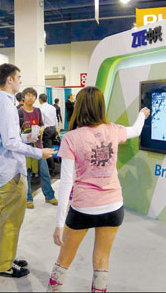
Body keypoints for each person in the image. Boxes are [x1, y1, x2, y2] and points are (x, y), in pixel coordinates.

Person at [46, 86, 150, 292]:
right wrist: (142, 114)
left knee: (64, 259)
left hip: (83, 208)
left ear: (79, 107)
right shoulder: (113, 129)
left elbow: (66, 182)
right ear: (101, 106)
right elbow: (136, 130)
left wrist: (59, 223)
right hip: (113, 206)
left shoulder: (71, 137)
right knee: (102, 260)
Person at [0, 63, 56, 278]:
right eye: (19, 77)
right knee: (9, 219)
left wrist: (27, 138)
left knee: (9, 218)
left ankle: (7, 256)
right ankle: (4, 264)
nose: (21, 81)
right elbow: (10, 143)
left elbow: (11, 138)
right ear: (10, 80)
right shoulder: (5, 105)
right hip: (10, 170)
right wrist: (38, 153)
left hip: (7, 167)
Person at [18, 88, 58, 209]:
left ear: (36, 98)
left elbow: (41, 123)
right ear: (23, 97)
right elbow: (16, 131)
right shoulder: (19, 112)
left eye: (33, 96)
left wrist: (41, 129)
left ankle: (49, 196)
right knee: (27, 174)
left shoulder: (38, 111)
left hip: (39, 147)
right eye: (28, 95)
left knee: (44, 172)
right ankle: (28, 198)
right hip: (26, 148)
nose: (31, 98)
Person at [39, 93, 59, 175]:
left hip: (47, 130)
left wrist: (40, 133)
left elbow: (42, 122)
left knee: (48, 149)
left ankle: (51, 169)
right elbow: (55, 119)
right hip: (53, 129)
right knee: (53, 148)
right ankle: (54, 164)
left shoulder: (41, 109)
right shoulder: (52, 107)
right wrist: (57, 130)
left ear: (40, 100)